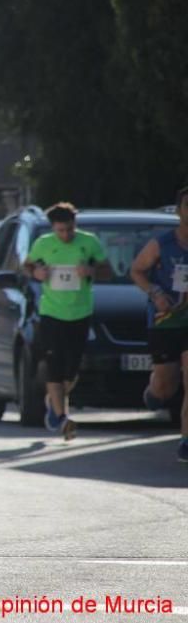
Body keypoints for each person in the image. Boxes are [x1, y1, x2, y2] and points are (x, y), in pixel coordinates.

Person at [23, 202, 113, 439]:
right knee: (53, 366)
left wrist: (91, 272)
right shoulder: (43, 243)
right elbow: (26, 265)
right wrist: (36, 273)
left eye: (70, 230)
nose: (66, 235)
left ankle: (55, 402)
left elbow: (107, 270)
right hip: (51, 313)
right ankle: (62, 418)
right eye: (61, 230)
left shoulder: (89, 242)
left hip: (80, 313)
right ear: (53, 228)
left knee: (70, 373)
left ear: (75, 226)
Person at [129, 185, 188, 463]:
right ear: (179, 211)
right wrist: (154, 292)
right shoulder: (161, 244)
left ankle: (186, 440)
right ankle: (154, 391)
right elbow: (137, 270)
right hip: (165, 321)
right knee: (167, 386)